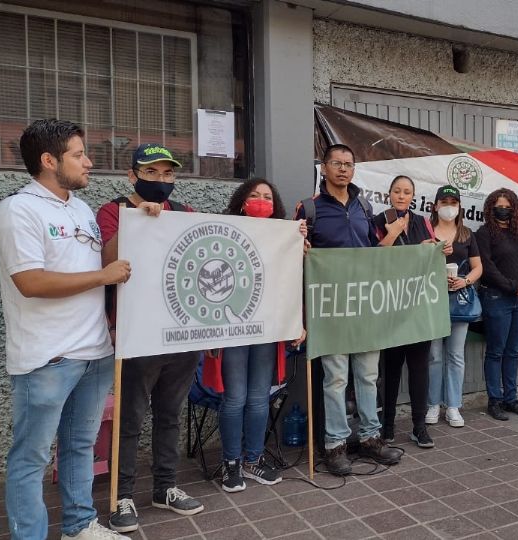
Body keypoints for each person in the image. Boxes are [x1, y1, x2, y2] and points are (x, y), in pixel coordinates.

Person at [0, 119, 131, 539]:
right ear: (49, 161)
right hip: (47, 358)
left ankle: (79, 525)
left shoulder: (80, 208)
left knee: (79, 447)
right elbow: (31, 282)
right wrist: (104, 277)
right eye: (78, 154)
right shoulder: (18, 210)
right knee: (31, 458)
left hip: (93, 353)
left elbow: (98, 262)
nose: (88, 162)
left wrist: (137, 225)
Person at [97, 144, 204, 532]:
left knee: (170, 415)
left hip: (180, 336)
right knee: (130, 418)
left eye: (168, 174)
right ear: (132, 176)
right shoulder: (112, 211)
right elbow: (106, 262)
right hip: (137, 334)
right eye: (152, 172)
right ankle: (122, 495)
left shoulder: (185, 214)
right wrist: (134, 222)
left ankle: (165, 487)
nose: (161, 181)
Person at [295, 144, 401, 475]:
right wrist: (300, 246)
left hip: (364, 306)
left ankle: (370, 438)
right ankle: (334, 444)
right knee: (336, 378)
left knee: (369, 375)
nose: (343, 169)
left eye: (349, 164)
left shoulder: (364, 206)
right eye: (336, 163)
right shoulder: (309, 209)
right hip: (331, 310)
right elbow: (292, 254)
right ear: (323, 168)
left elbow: (371, 252)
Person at [212, 178, 307, 492]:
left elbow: (289, 283)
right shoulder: (223, 231)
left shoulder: (283, 235)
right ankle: (231, 464)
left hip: (266, 329)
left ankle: (252, 459)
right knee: (235, 398)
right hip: (233, 329)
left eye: (267, 196)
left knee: (258, 398)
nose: (261, 200)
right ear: (242, 201)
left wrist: (299, 247)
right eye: (254, 195)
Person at [375, 175, 439, 448]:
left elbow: (433, 256)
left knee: (419, 369)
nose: (402, 196)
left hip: (418, 306)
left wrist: (437, 248)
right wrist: (394, 232)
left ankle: (419, 426)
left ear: (413, 196)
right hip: (390, 305)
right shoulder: (379, 220)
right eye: (397, 191)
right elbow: (375, 256)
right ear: (389, 194)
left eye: (407, 192)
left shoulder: (423, 221)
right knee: (390, 370)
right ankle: (387, 427)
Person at [475, 188, 518, 421]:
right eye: (498, 206)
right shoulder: (484, 234)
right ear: (491, 209)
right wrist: (513, 286)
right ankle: (495, 400)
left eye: (507, 206)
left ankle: (511, 398)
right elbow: (488, 268)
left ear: (515, 209)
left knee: (513, 351)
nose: (503, 210)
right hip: (497, 298)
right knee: (496, 352)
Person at [426, 185, 482, 429]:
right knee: (434, 355)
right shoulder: (427, 231)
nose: (449, 206)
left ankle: (453, 406)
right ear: (436, 205)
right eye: (444, 201)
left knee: (456, 355)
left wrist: (465, 280)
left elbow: (478, 267)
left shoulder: (466, 234)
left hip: (459, 301)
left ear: (459, 207)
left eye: (454, 202)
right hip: (432, 300)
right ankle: (432, 404)